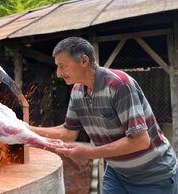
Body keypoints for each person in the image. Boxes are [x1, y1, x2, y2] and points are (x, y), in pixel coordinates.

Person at [29, 37, 178, 194]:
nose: (59, 73)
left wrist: (88, 153)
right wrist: (26, 129)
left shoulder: (119, 85)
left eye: (62, 66)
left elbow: (140, 141)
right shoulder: (77, 91)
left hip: (153, 177)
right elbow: (68, 132)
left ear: (84, 61)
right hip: (117, 173)